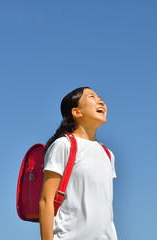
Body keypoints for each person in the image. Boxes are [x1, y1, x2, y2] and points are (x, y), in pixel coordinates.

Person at [39, 87, 117, 240]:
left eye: (100, 98)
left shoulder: (108, 155)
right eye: (91, 97)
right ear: (76, 112)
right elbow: (46, 201)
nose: (100, 101)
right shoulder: (64, 145)